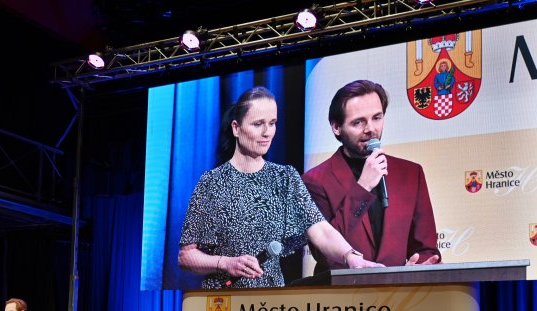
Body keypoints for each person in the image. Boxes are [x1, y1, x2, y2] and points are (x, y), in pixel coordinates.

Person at [178, 86, 381, 289]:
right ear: (236, 128)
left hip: (271, 301)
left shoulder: (285, 178)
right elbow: (186, 256)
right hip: (223, 301)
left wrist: (350, 256)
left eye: (272, 123)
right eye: (258, 124)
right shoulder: (212, 183)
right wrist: (225, 263)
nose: (267, 132)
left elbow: (320, 230)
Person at [302, 79, 441, 274]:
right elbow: (323, 253)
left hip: (400, 290)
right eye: (358, 122)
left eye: (377, 118)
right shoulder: (315, 181)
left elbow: (426, 248)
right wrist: (362, 188)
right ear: (336, 127)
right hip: (343, 291)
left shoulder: (410, 173)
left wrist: (418, 267)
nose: (371, 129)